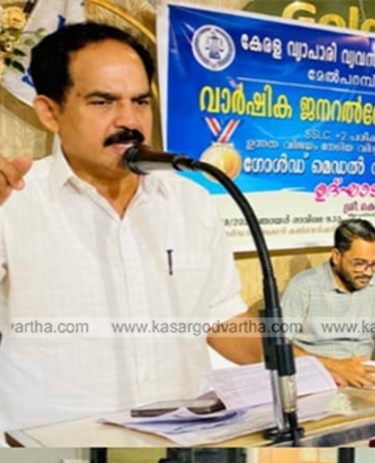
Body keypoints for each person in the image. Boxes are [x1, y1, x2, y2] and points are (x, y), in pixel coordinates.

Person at [0, 23, 252, 434]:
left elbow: (221, 321)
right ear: (50, 112)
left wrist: (306, 364)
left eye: (140, 102)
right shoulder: (14, 201)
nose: (129, 121)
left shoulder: (191, 202)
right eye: (103, 102)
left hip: (180, 443)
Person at [277, 219, 375, 447]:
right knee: (352, 436)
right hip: (321, 381)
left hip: (366, 377)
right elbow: (279, 346)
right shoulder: (303, 287)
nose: (368, 272)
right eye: (360, 263)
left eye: (374, 263)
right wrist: (335, 367)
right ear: (336, 256)